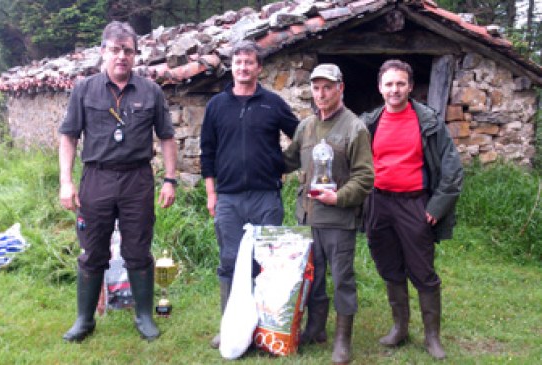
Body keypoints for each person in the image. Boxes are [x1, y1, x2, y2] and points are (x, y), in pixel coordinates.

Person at [58, 21, 177, 342]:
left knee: (138, 249)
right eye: (115, 50)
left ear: (135, 54)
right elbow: (68, 136)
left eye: (127, 50)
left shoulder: (150, 90)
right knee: (93, 250)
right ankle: (84, 320)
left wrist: (170, 179)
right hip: (96, 178)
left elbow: (167, 137)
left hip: (137, 179)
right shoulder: (85, 89)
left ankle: (143, 316)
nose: (121, 56)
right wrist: (66, 182)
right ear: (103, 52)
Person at [200, 40, 300, 349]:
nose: (243, 68)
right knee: (230, 262)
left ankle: (266, 328)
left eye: (249, 62)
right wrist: (211, 194)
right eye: (238, 62)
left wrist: (281, 164)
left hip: (266, 196)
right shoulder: (217, 105)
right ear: (232, 66)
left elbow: (300, 135)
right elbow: (207, 152)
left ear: (259, 67)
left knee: (268, 265)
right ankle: (230, 327)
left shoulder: (273, 103)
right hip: (228, 198)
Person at [361, 59, 463, 360]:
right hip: (379, 203)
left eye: (400, 83)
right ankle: (400, 328)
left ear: (410, 86)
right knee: (389, 266)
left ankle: (432, 337)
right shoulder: (369, 123)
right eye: (389, 84)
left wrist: (437, 205)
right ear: (380, 88)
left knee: (423, 271)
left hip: (415, 204)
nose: (395, 89)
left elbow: (453, 169)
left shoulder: (428, 122)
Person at [283, 64, 374, 364]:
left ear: (340, 88)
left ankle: (342, 341)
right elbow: (289, 160)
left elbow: (364, 177)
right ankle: (315, 328)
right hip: (307, 218)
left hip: (338, 219)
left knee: (343, 279)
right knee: (313, 277)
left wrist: (339, 197)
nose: (321, 94)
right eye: (316, 88)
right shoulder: (306, 126)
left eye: (327, 87)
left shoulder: (355, 128)